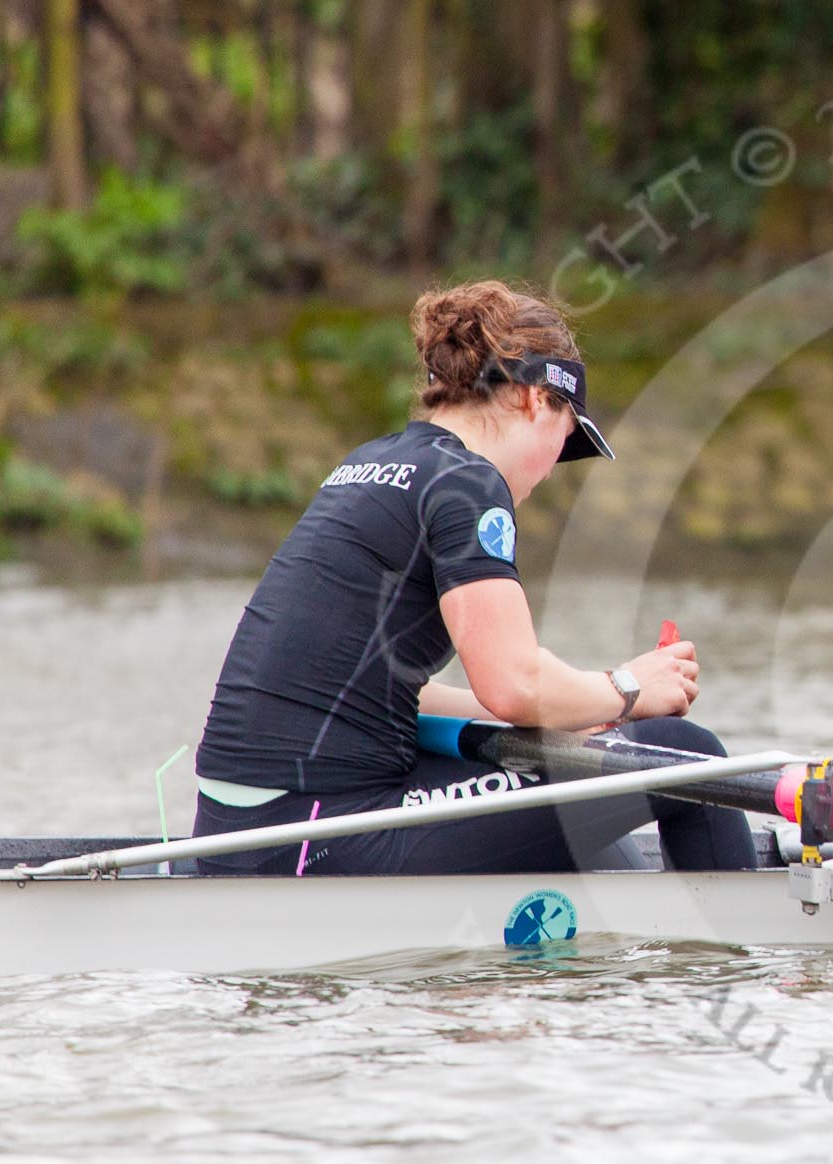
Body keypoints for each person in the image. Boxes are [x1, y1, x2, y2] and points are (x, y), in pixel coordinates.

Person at [191, 280, 757, 875]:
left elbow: (386, 686)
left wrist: (576, 708)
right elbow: (512, 685)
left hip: (235, 828)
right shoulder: (468, 484)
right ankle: (732, 959)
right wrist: (627, 687)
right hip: (315, 830)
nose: (547, 474)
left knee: (584, 771)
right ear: (537, 399)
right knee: (688, 759)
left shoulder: (371, 461)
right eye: (564, 445)